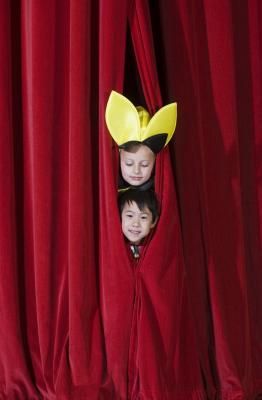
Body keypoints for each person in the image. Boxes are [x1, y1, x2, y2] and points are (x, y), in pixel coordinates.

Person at [105, 91, 177, 190]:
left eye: (144, 165)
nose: (136, 171)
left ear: (155, 161)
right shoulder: (108, 187)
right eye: (129, 163)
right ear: (119, 158)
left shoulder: (159, 190)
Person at [118, 189, 159, 259]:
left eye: (143, 217)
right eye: (130, 216)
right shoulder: (114, 247)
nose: (136, 224)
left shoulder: (156, 249)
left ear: (153, 221)